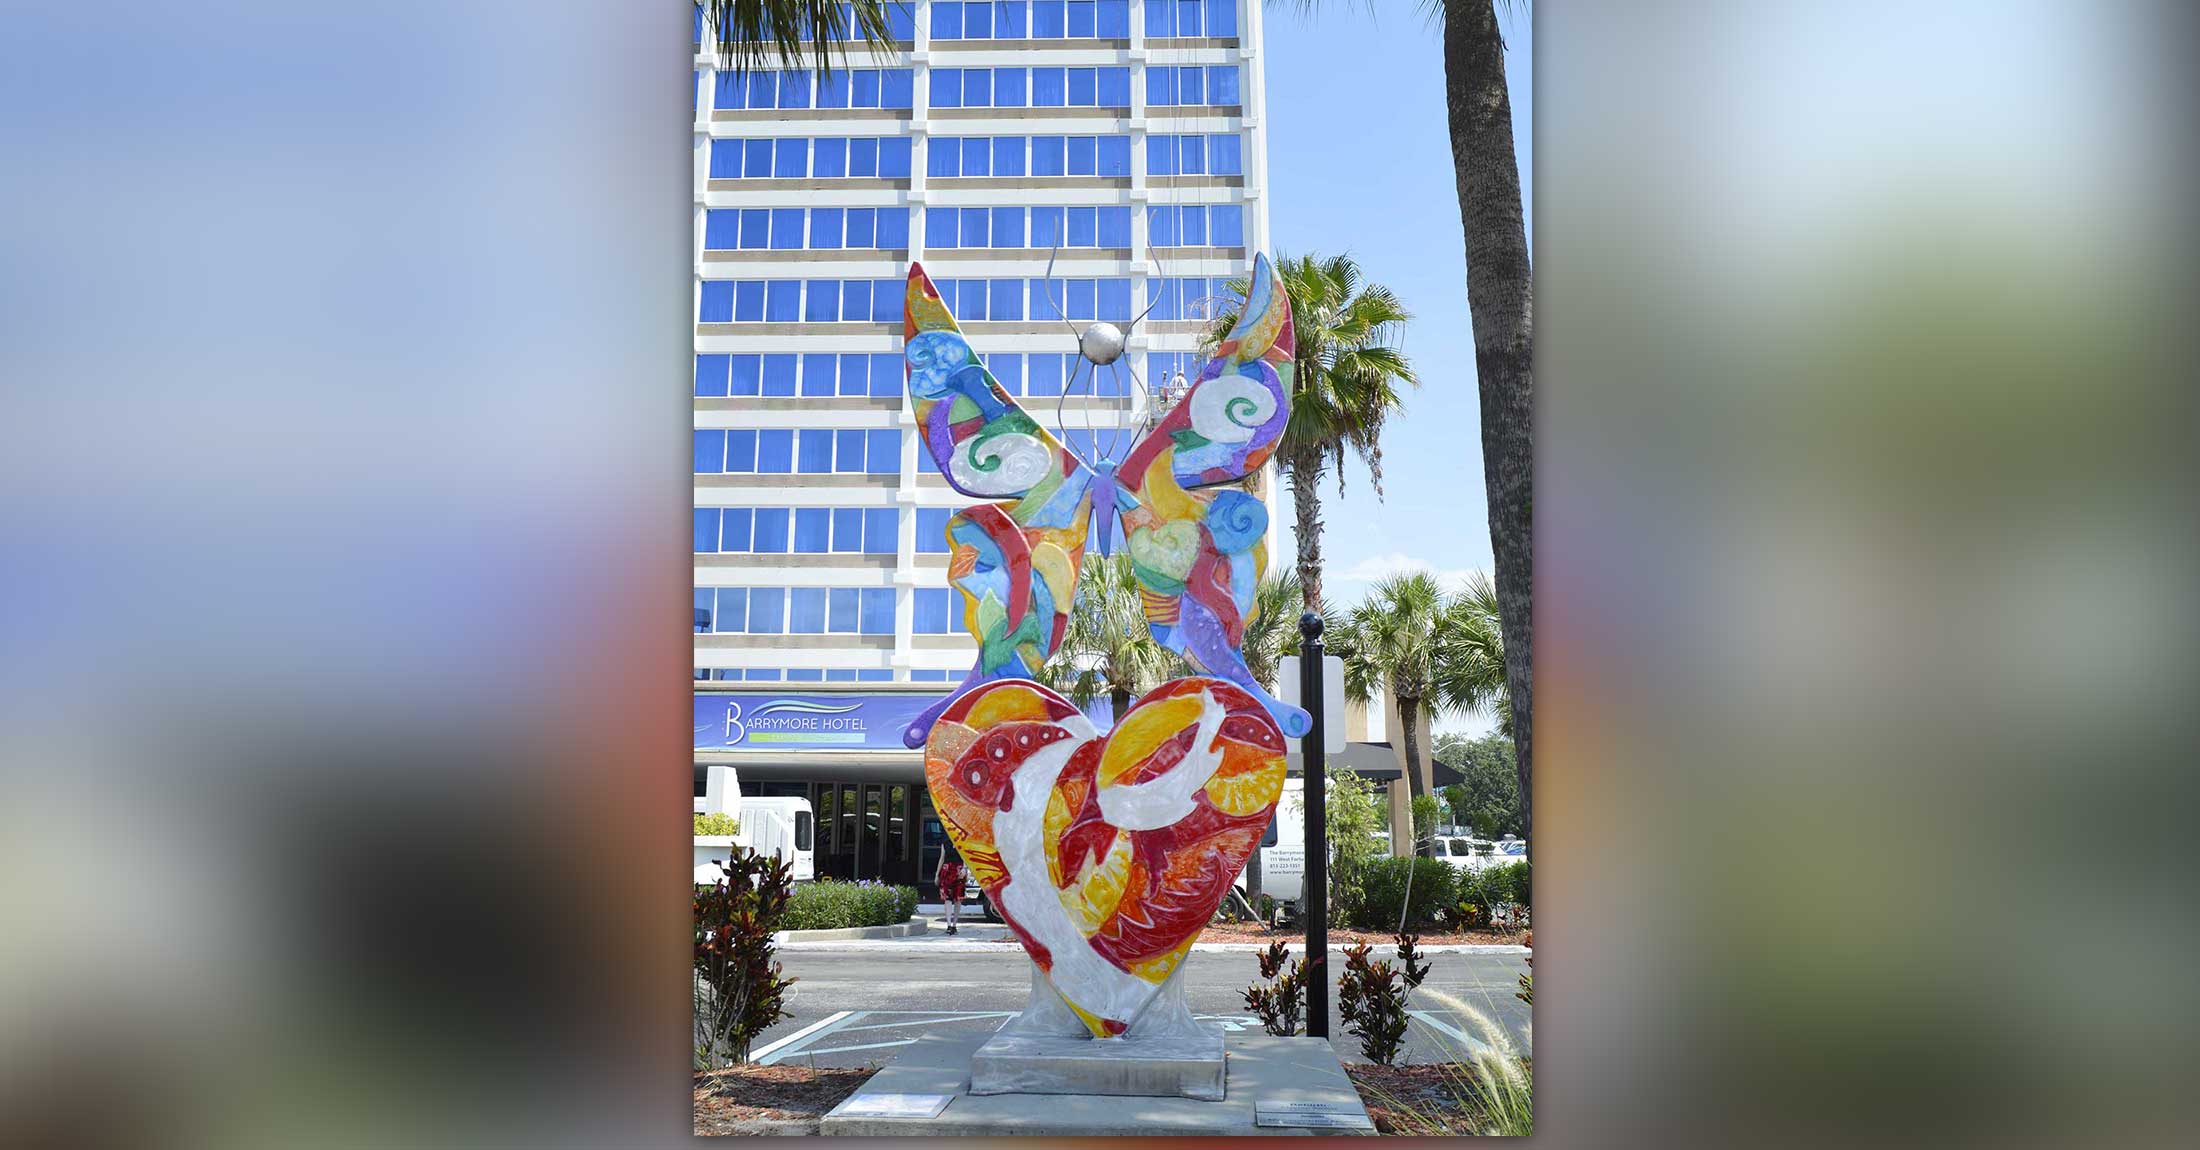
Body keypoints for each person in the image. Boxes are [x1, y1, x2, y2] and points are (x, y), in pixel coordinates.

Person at [935, 848, 966, 935]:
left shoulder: (962, 837)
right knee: (947, 898)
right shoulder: (945, 842)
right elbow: (942, 858)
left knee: (958, 899)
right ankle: (949, 925)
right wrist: (937, 874)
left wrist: (965, 868)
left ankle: (954, 925)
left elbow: (966, 854)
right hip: (947, 871)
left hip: (959, 870)